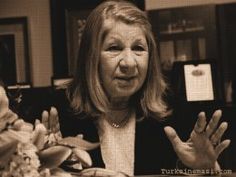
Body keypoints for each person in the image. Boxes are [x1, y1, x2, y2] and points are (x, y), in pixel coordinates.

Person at [0, 0, 230, 176]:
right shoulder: (54, 114)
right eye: (114, 48)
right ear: (92, 58)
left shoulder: (173, 114)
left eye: (139, 48)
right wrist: (46, 163)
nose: (129, 63)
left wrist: (208, 169)